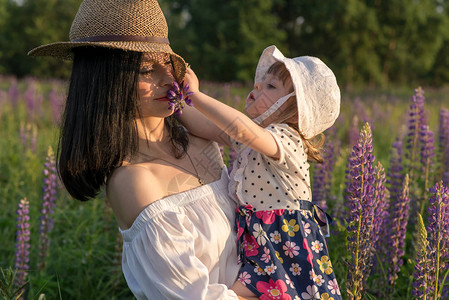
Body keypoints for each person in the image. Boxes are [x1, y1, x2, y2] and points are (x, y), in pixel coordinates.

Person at [28, 0, 259, 299]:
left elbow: (263, 146)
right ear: (106, 82)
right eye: (148, 69)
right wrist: (276, 287)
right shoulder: (134, 181)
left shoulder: (200, 141)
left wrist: (191, 105)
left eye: (170, 63)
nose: (168, 78)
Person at [183, 45, 342, 299]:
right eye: (261, 83)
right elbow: (205, 126)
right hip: (258, 243)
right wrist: (178, 102)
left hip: (286, 247)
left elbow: (241, 129)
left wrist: (197, 96)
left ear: (295, 108)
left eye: (271, 86)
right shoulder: (253, 139)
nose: (257, 87)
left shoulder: (288, 140)